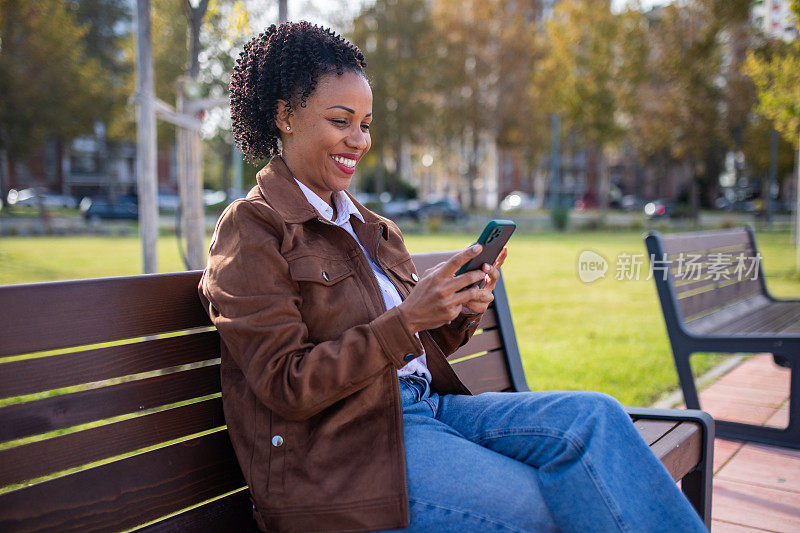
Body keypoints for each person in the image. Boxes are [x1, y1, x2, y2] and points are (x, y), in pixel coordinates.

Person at [199, 21, 707, 533]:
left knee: (595, 419)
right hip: (351, 455)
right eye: (341, 120)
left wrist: (461, 309)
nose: (359, 140)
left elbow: (412, 343)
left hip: (429, 410)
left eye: (367, 125)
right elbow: (287, 384)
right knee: (546, 505)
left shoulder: (369, 226)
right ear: (285, 116)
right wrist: (407, 317)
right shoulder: (252, 229)